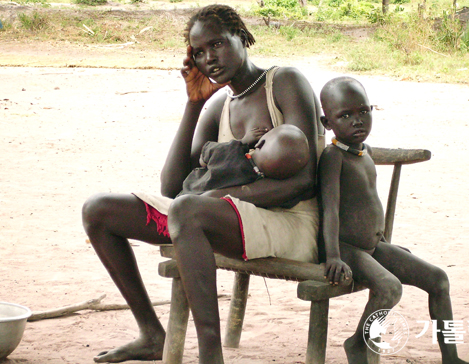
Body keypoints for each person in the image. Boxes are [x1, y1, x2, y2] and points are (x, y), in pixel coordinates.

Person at [81, 4, 323, 363]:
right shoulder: (218, 106)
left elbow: (305, 181)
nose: (209, 58)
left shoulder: (283, 82)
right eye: (198, 52)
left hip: (289, 223)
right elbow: (172, 185)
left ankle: (210, 353)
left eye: (217, 45)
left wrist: (222, 195)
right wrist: (194, 103)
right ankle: (150, 333)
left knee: (189, 210)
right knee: (98, 210)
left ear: (241, 36)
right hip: (215, 217)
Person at [317, 76, 469, 364]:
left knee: (438, 279)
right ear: (328, 124)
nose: (357, 121)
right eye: (345, 115)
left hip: (373, 247)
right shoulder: (333, 157)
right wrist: (334, 256)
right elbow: (331, 209)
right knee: (389, 288)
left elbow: (368, 203)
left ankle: (451, 357)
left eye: (363, 111)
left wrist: (385, 243)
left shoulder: (366, 154)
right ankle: (357, 344)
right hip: (347, 248)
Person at [177, 124, 310, 199]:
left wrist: (242, 142)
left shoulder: (232, 152)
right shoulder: (259, 185)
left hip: (188, 193)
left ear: (260, 143)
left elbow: (203, 157)